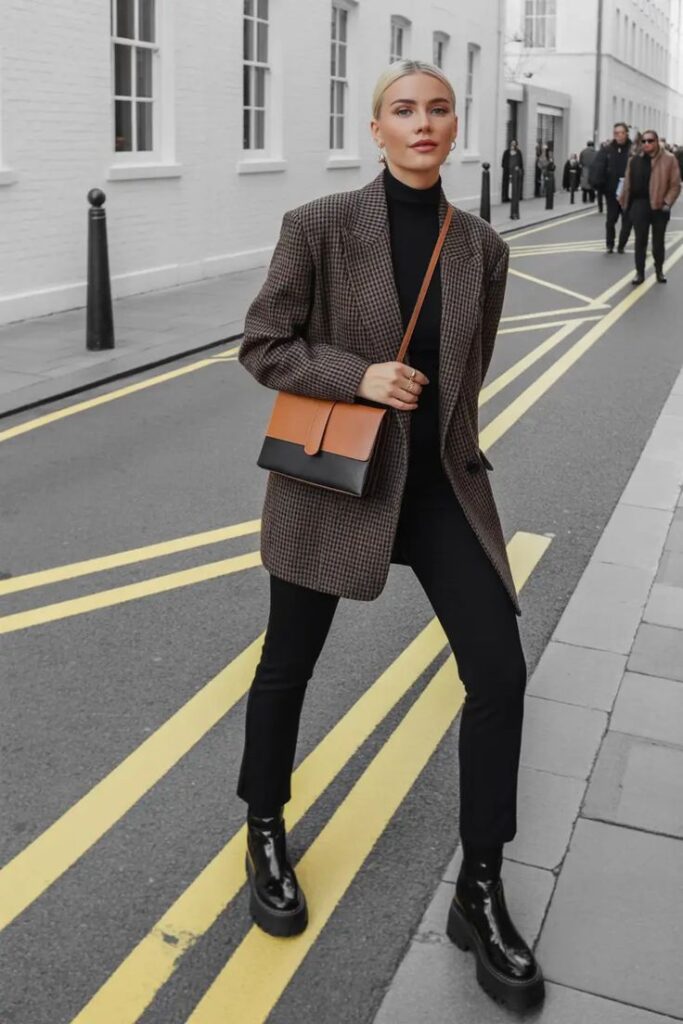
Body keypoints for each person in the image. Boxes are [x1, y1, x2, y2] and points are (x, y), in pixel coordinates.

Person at [236, 58, 545, 1013]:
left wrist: (453, 456)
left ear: (455, 127)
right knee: (289, 661)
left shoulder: (480, 246)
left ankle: (480, 887)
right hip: (338, 482)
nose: (422, 124)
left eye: (437, 110)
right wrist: (356, 375)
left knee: (498, 673)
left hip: (438, 489)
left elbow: (470, 374)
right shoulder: (319, 228)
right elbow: (263, 345)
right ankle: (262, 826)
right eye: (403, 111)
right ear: (374, 129)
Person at [619, 128, 681, 285]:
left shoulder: (669, 159)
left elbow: (675, 185)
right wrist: (623, 201)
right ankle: (639, 273)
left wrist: (667, 202)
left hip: (660, 206)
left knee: (658, 243)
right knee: (640, 241)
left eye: (650, 141)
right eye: (644, 141)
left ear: (657, 141)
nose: (646, 143)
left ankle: (659, 270)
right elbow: (627, 183)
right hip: (639, 205)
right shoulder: (634, 160)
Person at [590, 122, 634, 253]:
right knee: (611, 220)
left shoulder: (634, 149)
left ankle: (621, 245)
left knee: (627, 221)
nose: (619, 136)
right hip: (611, 191)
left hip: (629, 192)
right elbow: (598, 167)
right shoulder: (607, 149)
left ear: (626, 134)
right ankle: (610, 244)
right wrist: (599, 185)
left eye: (622, 133)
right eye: (616, 133)